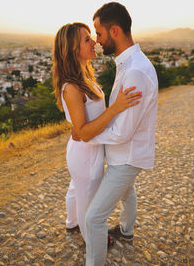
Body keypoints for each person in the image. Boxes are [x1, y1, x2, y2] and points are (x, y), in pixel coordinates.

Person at [52, 22, 142, 242]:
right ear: (73, 50)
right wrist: (116, 108)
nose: (94, 42)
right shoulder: (71, 87)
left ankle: (71, 223)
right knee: (87, 200)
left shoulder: (85, 77)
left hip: (88, 149)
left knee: (76, 188)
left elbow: (82, 126)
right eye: (87, 40)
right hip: (85, 154)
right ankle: (92, 239)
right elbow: (83, 132)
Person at [84, 2, 158, 266]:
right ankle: (126, 231)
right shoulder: (129, 62)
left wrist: (87, 135)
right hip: (124, 153)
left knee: (93, 218)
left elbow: (123, 132)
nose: (96, 40)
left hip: (126, 157)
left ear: (114, 31)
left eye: (99, 33)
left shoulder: (135, 70)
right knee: (128, 194)